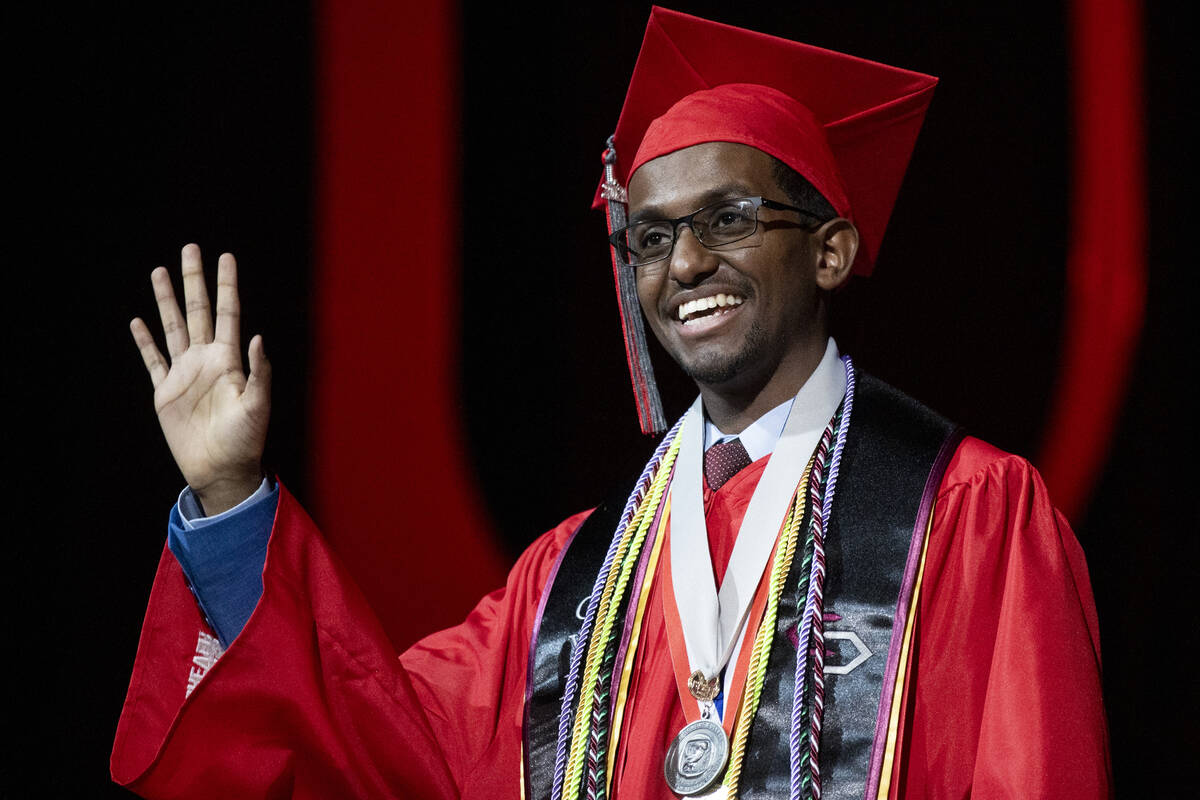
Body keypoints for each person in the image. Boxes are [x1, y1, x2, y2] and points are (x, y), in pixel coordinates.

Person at [112, 8, 1110, 800]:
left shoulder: (973, 516)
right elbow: (379, 742)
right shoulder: (567, 584)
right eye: (650, 235)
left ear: (830, 250)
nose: (684, 263)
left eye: (728, 218)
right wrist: (235, 502)